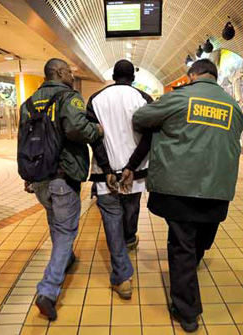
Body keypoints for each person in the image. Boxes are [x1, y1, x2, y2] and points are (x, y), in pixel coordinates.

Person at [132, 59, 243, 333]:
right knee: (200, 240)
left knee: (183, 246)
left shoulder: (180, 97)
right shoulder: (234, 107)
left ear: (192, 75)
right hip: (217, 189)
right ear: (215, 77)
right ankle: (186, 291)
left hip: (180, 188)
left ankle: (187, 312)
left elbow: (140, 118)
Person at [18, 58, 103, 321]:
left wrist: (27, 174)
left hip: (39, 178)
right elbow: (76, 128)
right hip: (62, 176)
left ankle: (65, 259)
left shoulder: (29, 103)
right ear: (59, 72)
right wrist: (96, 130)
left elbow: (23, 139)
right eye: (69, 70)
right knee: (66, 232)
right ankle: (47, 291)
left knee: (56, 223)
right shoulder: (69, 97)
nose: (71, 74)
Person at [86, 59, 153, 299]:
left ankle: (123, 277)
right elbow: (148, 138)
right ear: (132, 77)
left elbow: (94, 137)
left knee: (112, 220)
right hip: (134, 175)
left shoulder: (95, 99)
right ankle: (129, 240)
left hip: (106, 175)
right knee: (131, 209)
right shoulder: (144, 99)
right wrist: (131, 167)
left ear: (113, 76)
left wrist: (106, 168)